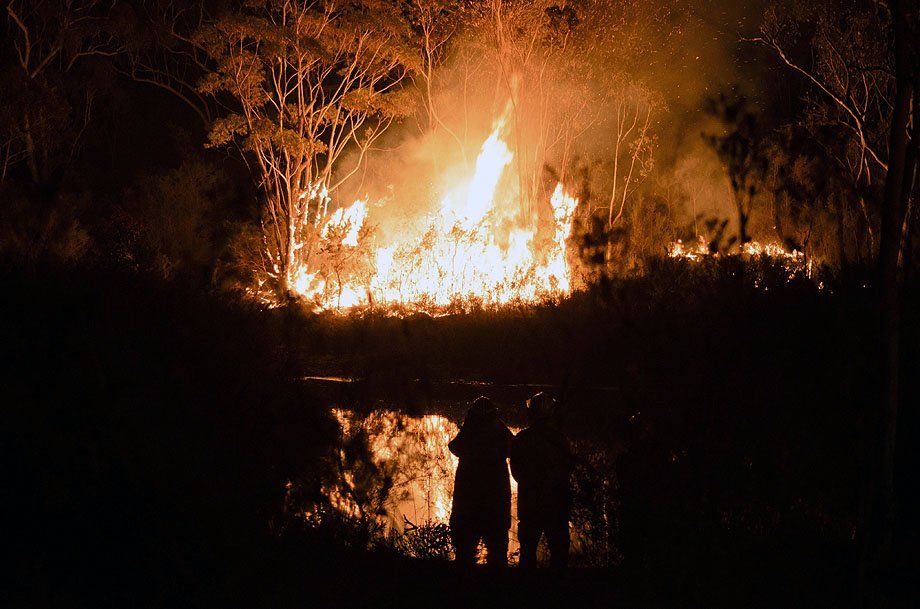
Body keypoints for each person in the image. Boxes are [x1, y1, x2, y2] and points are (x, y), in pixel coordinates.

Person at [510, 392, 573, 569]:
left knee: (528, 553)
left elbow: (516, 472)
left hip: (530, 505)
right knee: (559, 555)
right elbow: (567, 470)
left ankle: (529, 592)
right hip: (556, 505)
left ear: (531, 414)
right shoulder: (560, 439)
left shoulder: (521, 440)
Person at [448, 396, 513, 566]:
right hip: (495, 506)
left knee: (464, 554)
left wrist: (470, 426)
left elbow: (454, 447)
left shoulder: (470, 431)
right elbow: (513, 448)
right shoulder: (499, 430)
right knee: (497, 555)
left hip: (469, 507)